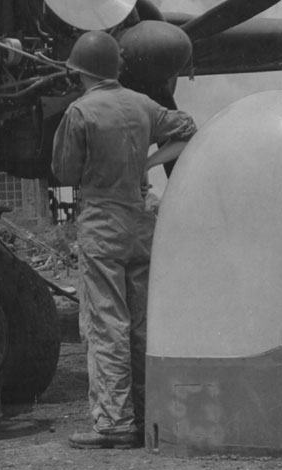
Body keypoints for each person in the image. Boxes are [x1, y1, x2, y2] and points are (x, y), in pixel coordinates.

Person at [51, 31, 197, 449]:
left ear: (80, 71)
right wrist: (148, 162)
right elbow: (187, 126)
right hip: (140, 219)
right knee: (141, 323)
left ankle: (115, 423)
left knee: (105, 324)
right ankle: (149, 414)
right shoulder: (143, 104)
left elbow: (64, 172)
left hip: (102, 222)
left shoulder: (81, 112)